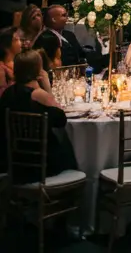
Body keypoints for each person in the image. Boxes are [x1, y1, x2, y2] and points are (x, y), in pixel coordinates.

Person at [0, 50, 77, 178]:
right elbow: (61, 119)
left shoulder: (8, 93)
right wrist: (47, 86)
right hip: (41, 165)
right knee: (69, 151)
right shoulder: (37, 95)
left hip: (15, 164)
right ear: (38, 70)